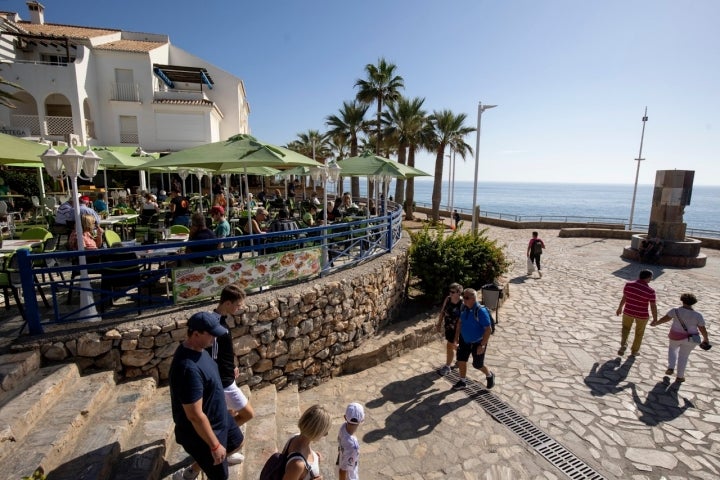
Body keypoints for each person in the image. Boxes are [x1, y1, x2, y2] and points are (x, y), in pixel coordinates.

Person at [177, 287, 254, 479]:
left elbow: (220, 355)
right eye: (237, 304)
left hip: (226, 378)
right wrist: (215, 444)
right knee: (247, 414)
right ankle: (197, 466)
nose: (239, 308)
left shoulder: (216, 325)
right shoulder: (190, 363)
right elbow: (194, 414)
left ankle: (223, 447)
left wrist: (232, 366)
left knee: (236, 433)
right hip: (223, 383)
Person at [169, 312, 244, 480]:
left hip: (220, 417)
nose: (215, 338)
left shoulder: (201, 349)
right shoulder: (187, 369)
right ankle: (189, 474)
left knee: (238, 442)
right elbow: (194, 415)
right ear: (196, 334)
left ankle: (196, 469)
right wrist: (215, 445)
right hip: (203, 433)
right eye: (211, 334)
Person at [650, 293, 710, 383]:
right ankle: (680, 377)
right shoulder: (698, 315)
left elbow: (666, 318)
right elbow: (702, 328)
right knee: (684, 356)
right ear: (693, 303)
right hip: (693, 338)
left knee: (672, 349)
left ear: (682, 301)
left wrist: (656, 323)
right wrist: (706, 338)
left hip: (675, 335)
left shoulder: (675, 311)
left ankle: (671, 367)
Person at [452, 288, 495, 390]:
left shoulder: (480, 311)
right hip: (464, 340)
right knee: (461, 360)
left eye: (466, 298)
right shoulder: (463, 307)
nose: (464, 299)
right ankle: (463, 381)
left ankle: (489, 375)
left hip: (478, 342)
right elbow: (459, 323)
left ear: (473, 299)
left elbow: (488, 329)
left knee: (477, 364)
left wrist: (482, 345)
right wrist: (456, 338)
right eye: (463, 297)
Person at [281, 404, 331, 480]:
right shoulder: (297, 464)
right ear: (315, 432)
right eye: (324, 431)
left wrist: (315, 456)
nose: (326, 434)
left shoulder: (295, 436)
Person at [616, 269, 658, 357]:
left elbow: (624, 297)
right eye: (651, 277)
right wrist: (655, 318)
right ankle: (634, 351)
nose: (651, 279)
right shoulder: (650, 291)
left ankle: (623, 345)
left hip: (628, 311)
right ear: (648, 278)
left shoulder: (629, 285)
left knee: (625, 329)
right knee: (639, 333)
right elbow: (653, 306)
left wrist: (620, 308)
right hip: (642, 315)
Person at [436, 283, 463, 376]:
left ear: (459, 292)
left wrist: (457, 335)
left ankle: (447, 366)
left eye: (453, 292)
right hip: (448, 327)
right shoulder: (448, 299)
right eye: (450, 291)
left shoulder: (462, 303)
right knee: (454, 346)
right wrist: (439, 323)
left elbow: (461, 320)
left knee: (450, 346)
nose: (450, 293)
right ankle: (460, 360)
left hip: (457, 329)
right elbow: (443, 311)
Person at [337, 403, 364, 480]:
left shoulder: (343, 427)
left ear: (345, 417)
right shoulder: (353, 446)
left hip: (340, 460)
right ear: (362, 420)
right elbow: (343, 470)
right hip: (350, 477)